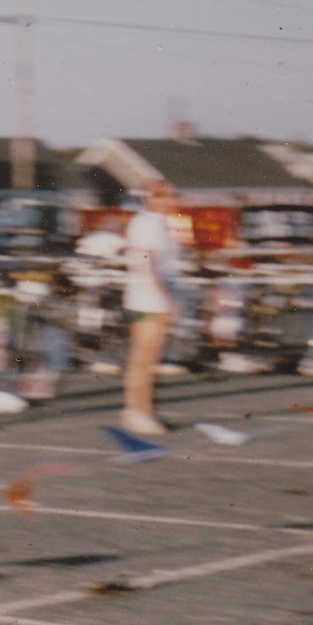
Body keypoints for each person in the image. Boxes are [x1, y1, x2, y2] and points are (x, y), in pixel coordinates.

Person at [120, 181, 182, 436]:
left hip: (149, 297)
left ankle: (139, 411)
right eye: (163, 196)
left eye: (172, 196)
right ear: (150, 199)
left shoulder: (157, 223)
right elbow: (146, 262)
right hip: (148, 299)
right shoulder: (148, 224)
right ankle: (138, 413)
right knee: (144, 359)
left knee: (145, 359)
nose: (170, 201)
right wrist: (164, 299)